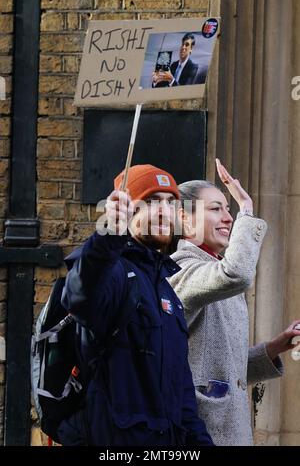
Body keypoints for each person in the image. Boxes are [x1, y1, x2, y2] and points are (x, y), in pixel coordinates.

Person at [57, 164, 213, 446]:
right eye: (151, 202)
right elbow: (80, 295)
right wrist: (108, 235)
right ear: (129, 213)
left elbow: (183, 398)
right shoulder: (114, 272)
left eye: (171, 202)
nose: (165, 211)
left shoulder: (168, 291)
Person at [168, 159, 300, 446]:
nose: (228, 217)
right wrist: (247, 209)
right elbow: (237, 273)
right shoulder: (181, 269)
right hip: (201, 436)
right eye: (216, 208)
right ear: (185, 218)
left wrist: (276, 345)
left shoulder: (210, 267)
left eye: (229, 209)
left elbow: (226, 372)